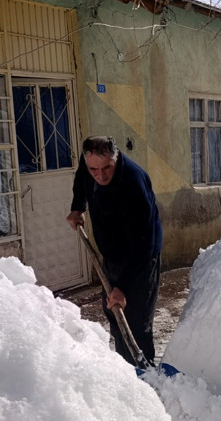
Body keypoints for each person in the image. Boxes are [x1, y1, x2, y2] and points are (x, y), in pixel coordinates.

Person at [66, 136, 162, 365]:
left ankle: (144, 372)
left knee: (136, 322)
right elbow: (82, 176)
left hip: (140, 259)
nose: (100, 175)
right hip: (112, 254)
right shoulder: (90, 165)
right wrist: (78, 207)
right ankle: (124, 368)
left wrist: (123, 287)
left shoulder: (133, 183)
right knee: (114, 313)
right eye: (94, 169)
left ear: (116, 158)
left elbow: (143, 244)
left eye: (106, 168)